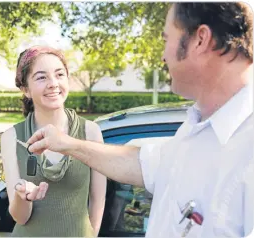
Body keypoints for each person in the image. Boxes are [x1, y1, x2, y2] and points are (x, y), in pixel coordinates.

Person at [26, 3, 253, 237]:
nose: (163, 56)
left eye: (166, 39)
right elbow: (144, 165)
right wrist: (67, 144)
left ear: (200, 39)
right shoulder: (198, 126)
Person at [0, 45, 106, 237]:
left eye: (59, 75)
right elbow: (20, 217)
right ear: (25, 89)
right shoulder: (12, 138)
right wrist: (24, 197)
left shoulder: (90, 131)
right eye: (41, 77)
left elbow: (98, 200)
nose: (53, 83)